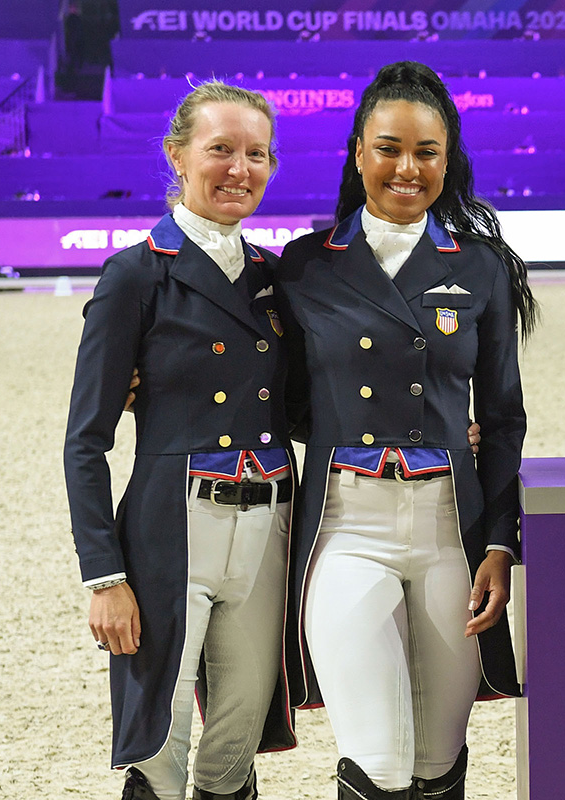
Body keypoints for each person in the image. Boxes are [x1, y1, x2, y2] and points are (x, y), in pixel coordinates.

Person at [276, 61, 537, 800]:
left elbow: (507, 417)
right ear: (358, 152)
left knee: (437, 762)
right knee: (380, 765)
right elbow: (269, 390)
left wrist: (498, 541)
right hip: (347, 527)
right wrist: (151, 383)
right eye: (388, 148)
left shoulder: (481, 268)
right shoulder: (302, 266)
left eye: (427, 152)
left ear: (446, 158)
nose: (407, 168)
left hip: (450, 530)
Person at [64, 81, 295, 800]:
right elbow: (85, 442)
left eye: (256, 154)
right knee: (160, 745)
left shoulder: (276, 277)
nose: (239, 169)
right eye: (219, 150)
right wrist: (104, 575)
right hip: (174, 526)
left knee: (236, 738)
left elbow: (320, 404)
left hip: (268, 528)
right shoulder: (134, 275)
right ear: (177, 155)